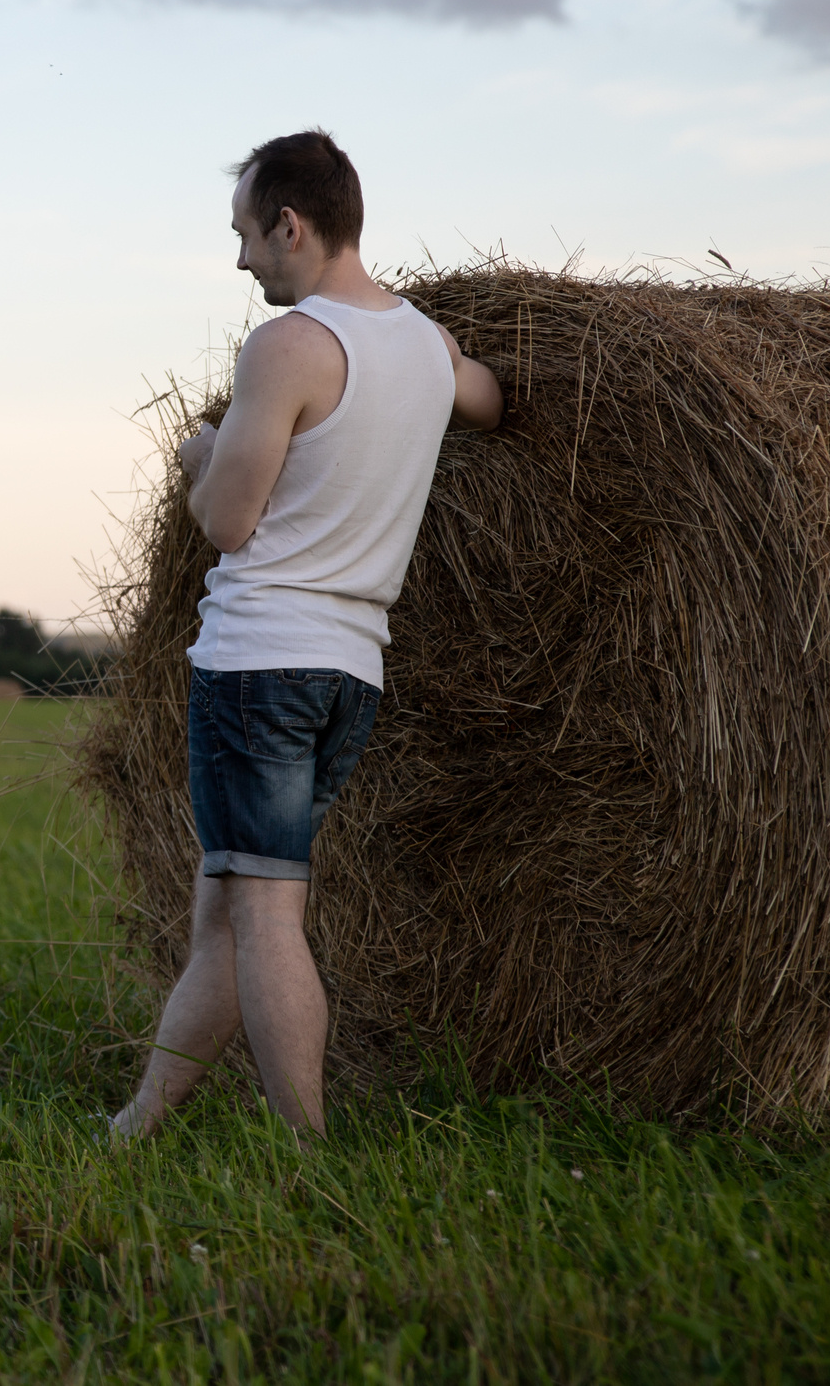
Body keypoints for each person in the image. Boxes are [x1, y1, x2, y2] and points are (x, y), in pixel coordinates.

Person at [112, 131, 502, 1141]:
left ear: (291, 224)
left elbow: (227, 523)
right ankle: (141, 1121)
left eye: (246, 235)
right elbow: (492, 399)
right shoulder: (424, 345)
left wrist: (202, 451)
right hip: (346, 677)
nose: (242, 260)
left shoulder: (287, 347)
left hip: (258, 669)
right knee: (229, 910)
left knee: (266, 917)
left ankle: (307, 1152)